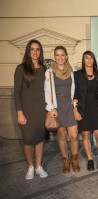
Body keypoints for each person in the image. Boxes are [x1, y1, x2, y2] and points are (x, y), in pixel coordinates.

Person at [14, 40, 48, 180]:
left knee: (40, 139)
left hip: (42, 110)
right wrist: (20, 112)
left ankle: (39, 166)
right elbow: (17, 93)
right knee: (28, 140)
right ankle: (30, 167)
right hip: (27, 111)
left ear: (40, 52)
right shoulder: (21, 68)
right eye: (32, 49)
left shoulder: (45, 69)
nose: (35, 52)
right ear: (28, 51)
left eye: (38, 49)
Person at [45, 46, 79, 173]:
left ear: (66, 56)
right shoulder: (49, 72)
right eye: (57, 55)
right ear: (55, 57)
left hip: (70, 105)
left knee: (74, 135)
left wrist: (76, 106)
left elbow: (77, 89)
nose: (60, 58)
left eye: (62, 55)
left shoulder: (73, 70)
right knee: (62, 135)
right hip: (57, 106)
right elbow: (47, 91)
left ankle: (75, 159)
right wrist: (51, 108)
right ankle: (66, 161)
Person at [73, 51, 98, 171]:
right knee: (85, 136)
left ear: (94, 60)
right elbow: (75, 93)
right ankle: (90, 159)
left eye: (91, 58)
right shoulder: (77, 75)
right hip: (83, 109)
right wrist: (75, 109)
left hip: (97, 109)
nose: (89, 60)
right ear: (83, 60)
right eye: (86, 58)